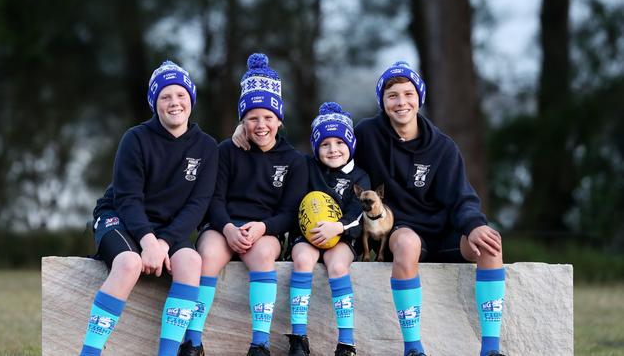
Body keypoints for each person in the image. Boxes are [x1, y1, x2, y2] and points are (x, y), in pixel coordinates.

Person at [353, 61, 505, 356]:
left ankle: (490, 349)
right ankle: (413, 348)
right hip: (400, 228)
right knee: (407, 245)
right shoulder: (366, 135)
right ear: (382, 102)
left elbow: (461, 197)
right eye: (392, 95)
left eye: (408, 94)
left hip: (444, 230)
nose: (401, 102)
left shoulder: (443, 147)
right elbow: (330, 149)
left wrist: (475, 225)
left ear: (419, 98)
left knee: (491, 245)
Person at [79, 61, 218, 356]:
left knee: (191, 262)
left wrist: (164, 242)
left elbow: (198, 204)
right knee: (129, 264)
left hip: (167, 228)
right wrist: (148, 242)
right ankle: (89, 352)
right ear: (155, 102)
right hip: (121, 219)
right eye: (165, 96)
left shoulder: (206, 147)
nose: (174, 103)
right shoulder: (135, 138)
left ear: (191, 99)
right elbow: (128, 198)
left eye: (181, 95)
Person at [177, 53, 308, 356]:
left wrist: (263, 227)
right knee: (207, 255)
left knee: (263, 256)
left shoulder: (294, 161)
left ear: (279, 119)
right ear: (243, 121)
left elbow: (289, 213)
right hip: (224, 224)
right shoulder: (227, 151)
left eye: (268, 117)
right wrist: (227, 228)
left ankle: (259, 343)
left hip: (265, 229)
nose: (261, 125)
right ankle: (193, 341)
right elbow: (213, 199)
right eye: (252, 118)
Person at [285, 102, 370, 356]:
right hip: (308, 236)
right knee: (301, 260)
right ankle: (298, 338)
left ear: (350, 145)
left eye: (340, 143)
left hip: (342, 237)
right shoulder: (306, 167)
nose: (333, 149)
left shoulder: (359, 176)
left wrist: (338, 227)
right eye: (325, 144)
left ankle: (346, 342)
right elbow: (278, 148)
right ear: (315, 147)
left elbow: (359, 213)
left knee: (338, 266)